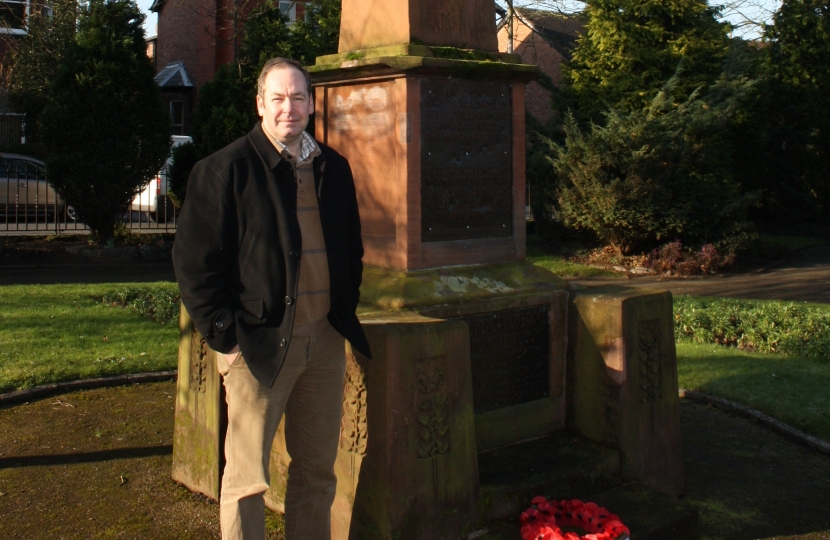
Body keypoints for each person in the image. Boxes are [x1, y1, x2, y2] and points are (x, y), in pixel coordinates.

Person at [172, 57, 371, 540]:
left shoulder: (334, 168)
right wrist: (226, 337)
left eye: (298, 97)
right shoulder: (225, 170)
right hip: (257, 348)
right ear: (260, 103)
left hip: (323, 344)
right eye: (278, 98)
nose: (289, 108)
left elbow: (351, 250)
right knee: (246, 481)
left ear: (310, 104)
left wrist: (341, 310)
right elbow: (195, 264)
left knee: (317, 474)